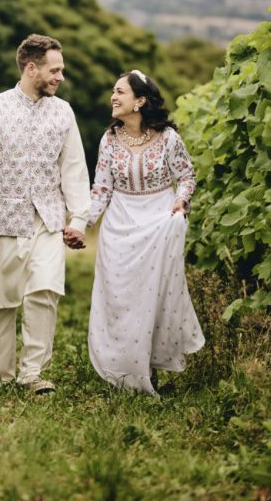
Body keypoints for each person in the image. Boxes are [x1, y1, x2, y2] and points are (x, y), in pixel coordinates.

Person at [0, 34, 91, 394]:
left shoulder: (64, 112)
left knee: (44, 293)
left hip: (47, 221)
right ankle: (3, 376)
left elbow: (74, 168)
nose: (61, 77)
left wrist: (77, 220)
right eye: (55, 69)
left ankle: (32, 374)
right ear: (32, 68)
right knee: (1, 301)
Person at [86, 69, 204, 395]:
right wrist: (83, 224)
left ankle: (151, 369)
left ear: (139, 101)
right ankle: (122, 370)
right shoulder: (109, 140)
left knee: (152, 299)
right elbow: (101, 190)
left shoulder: (168, 139)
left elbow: (187, 177)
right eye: (113, 91)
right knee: (121, 299)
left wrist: (181, 202)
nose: (113, 97)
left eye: (120, 92)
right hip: (120, 226)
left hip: (158, 224)